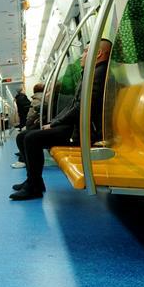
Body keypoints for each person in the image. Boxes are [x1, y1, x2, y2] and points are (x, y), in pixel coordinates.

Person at [10, 40, 113, 200]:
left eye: (85, 51)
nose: (81, 56)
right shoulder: (91, 74)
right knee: (23, 136)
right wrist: (53, 123)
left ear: (98, 54)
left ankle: (34, 186)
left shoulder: (97, 76)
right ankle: (34, 181)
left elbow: (82, 108)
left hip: (85, 133)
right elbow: (75, 105)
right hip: (77, 127)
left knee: (30, 138)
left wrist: (54, 123)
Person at [11, 82, 46, 169]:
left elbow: (32, 116)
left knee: (24, 136)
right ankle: (24, 158)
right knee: (23, 135)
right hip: (37, 123)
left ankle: (23, 159)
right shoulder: (39, 98)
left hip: (36, 124)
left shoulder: (37, 99)